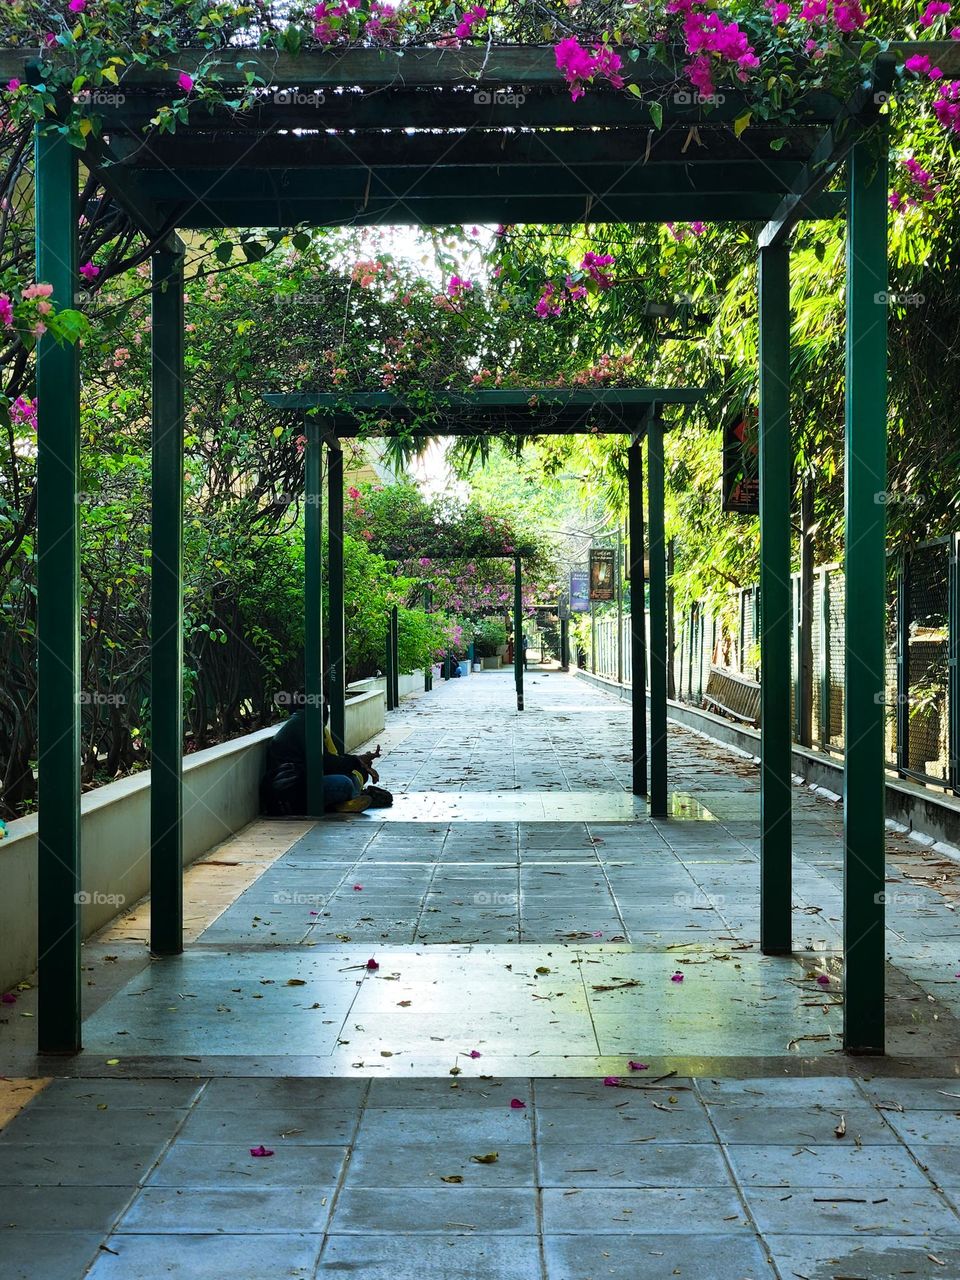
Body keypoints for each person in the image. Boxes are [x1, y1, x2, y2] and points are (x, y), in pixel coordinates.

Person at [260, 698, 390, 816]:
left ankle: (346, 801)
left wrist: (359, 762)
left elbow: (328, 759)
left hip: (304, 781)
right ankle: (345, 801)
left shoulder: (304, 722)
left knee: (356, 776)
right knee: (345, 783)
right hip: (292, 792)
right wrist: (356, 761)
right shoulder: (306, 726)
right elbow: (324, 763)